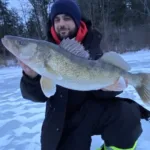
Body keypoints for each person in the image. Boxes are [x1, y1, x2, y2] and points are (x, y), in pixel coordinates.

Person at [19, 0, 150, 150]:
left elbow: (101, 89)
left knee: (127, 115)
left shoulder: (93, 49)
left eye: (67, 18)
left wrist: (111, 89)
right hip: (61, 120)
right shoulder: (45, 53)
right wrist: (31, 76)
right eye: (57, 19)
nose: (61, 23)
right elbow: (38, 95)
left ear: (76, 21)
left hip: (92, 113)